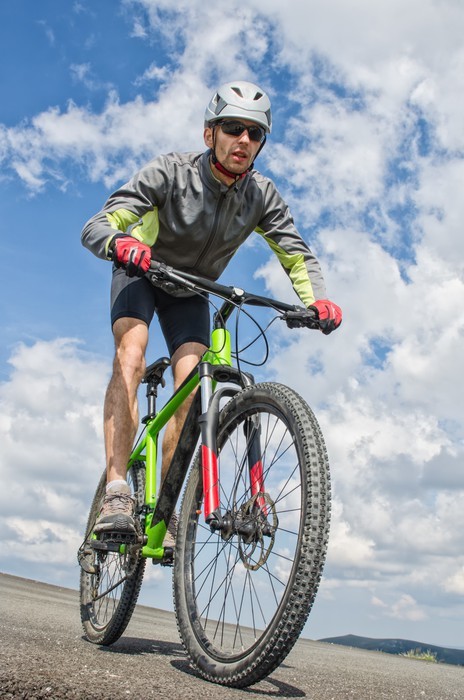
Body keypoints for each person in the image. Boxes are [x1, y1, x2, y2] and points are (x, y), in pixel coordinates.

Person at [81, 80, 342, 544]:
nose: (244, 139)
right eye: (233, 128)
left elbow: (295, 254)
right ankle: (117, 491)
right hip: (140, 269)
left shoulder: (261, 195)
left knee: (191, 390)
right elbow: (101, 222)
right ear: (210, 134)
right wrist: (119, 242)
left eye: (255, 133)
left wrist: (316, 300)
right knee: (132, 355)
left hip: (191, 290)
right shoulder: (171, 172)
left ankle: (163, 509)